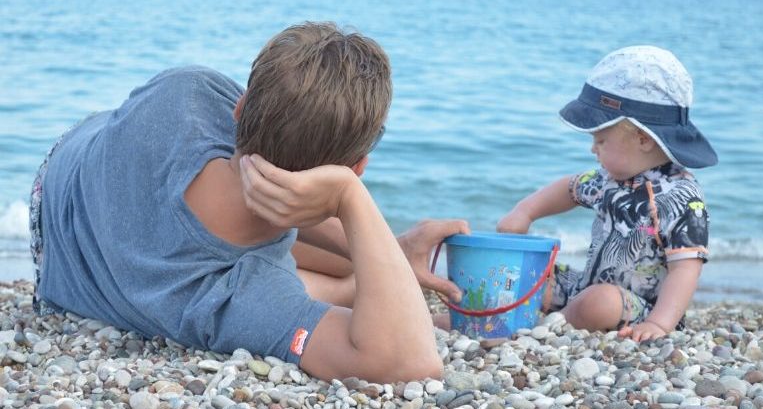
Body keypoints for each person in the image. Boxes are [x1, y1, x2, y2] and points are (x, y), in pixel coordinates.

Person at [30, 21, 467, 383]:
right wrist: (352, 201)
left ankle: (383, 265)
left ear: (239, 109)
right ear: (357, 167)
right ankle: (365, 281)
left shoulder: (189, 91)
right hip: (56, 252)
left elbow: (265, 163)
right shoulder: (228, 298)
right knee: (327, 280)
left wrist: (387, 244)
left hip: (68, 164)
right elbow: (409, 363)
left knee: (334, 256)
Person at [497, 46, 717, 342]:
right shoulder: (608, 179)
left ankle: (546, 330)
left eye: (601, 139)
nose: (593, 148)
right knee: (528, 274)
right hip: (585, 287)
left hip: (636, 308)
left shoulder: (682, 197)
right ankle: (492, 316)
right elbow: (568, 188)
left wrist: (659, 323)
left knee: (599, 302)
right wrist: (524, 212)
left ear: (642, 139)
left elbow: (685, 269)